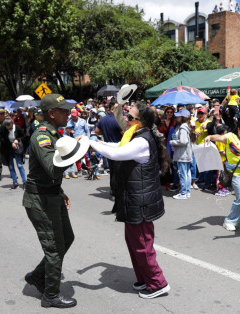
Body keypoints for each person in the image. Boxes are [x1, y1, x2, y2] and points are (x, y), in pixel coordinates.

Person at [90, 103, 170, 299]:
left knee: (142, 244)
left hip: (140, 201)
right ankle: (145, 279)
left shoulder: (142, 141)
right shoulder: (134, 136)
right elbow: (117, 146)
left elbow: (116, 154)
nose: (126, 118)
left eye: (130, 116)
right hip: (134, 199)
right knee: (133, 242)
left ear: (141, 122)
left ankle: (158, 283)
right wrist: (93, 141)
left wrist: (89, 143)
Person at [23, 94, 84, 309]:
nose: (68, 114)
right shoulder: (42, 136)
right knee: (55, 248)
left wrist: (60, 191)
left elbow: (50, 174)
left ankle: (38, 276)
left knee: (66, 238)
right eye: (64, 111)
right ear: (52, 113)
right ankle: (50, 295)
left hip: (51, 194)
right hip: (40, 199)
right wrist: (75, 153)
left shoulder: (53, 132)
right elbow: (51, 167)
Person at [96, 102, 123, 197]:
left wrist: (106, 134)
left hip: (108, 147)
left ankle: (113, 190)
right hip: (118, 148)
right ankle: (116, 191)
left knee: (113, 170)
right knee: (118, 171)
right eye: (117, 109)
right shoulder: (117, 120)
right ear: (111, 109)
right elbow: (124, 133)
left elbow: (97, 131)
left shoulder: (103, 119)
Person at [170, 109, 193, 200]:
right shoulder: (186, 126)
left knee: (183, 173)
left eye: (178, 116)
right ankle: (186, 192)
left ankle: (184, 193)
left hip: (182, 154)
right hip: (186, 154)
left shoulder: (183, 127)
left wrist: (173, 142)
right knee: (187, 173)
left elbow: (183, 141)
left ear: (183, 117)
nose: (176, 117)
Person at [0, 118, 27, 189]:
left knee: (19, 165)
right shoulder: (3, 128)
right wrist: (10, 144)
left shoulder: (17, 128)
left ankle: (24, 182)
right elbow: (1, 139)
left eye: (9, 125)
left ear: (12, 123)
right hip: (8, 149)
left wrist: (17, 140)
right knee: (11, 166)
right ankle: (15, 182)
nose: (8, 127)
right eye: (6, 126)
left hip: (17, 148)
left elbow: (24, 136)